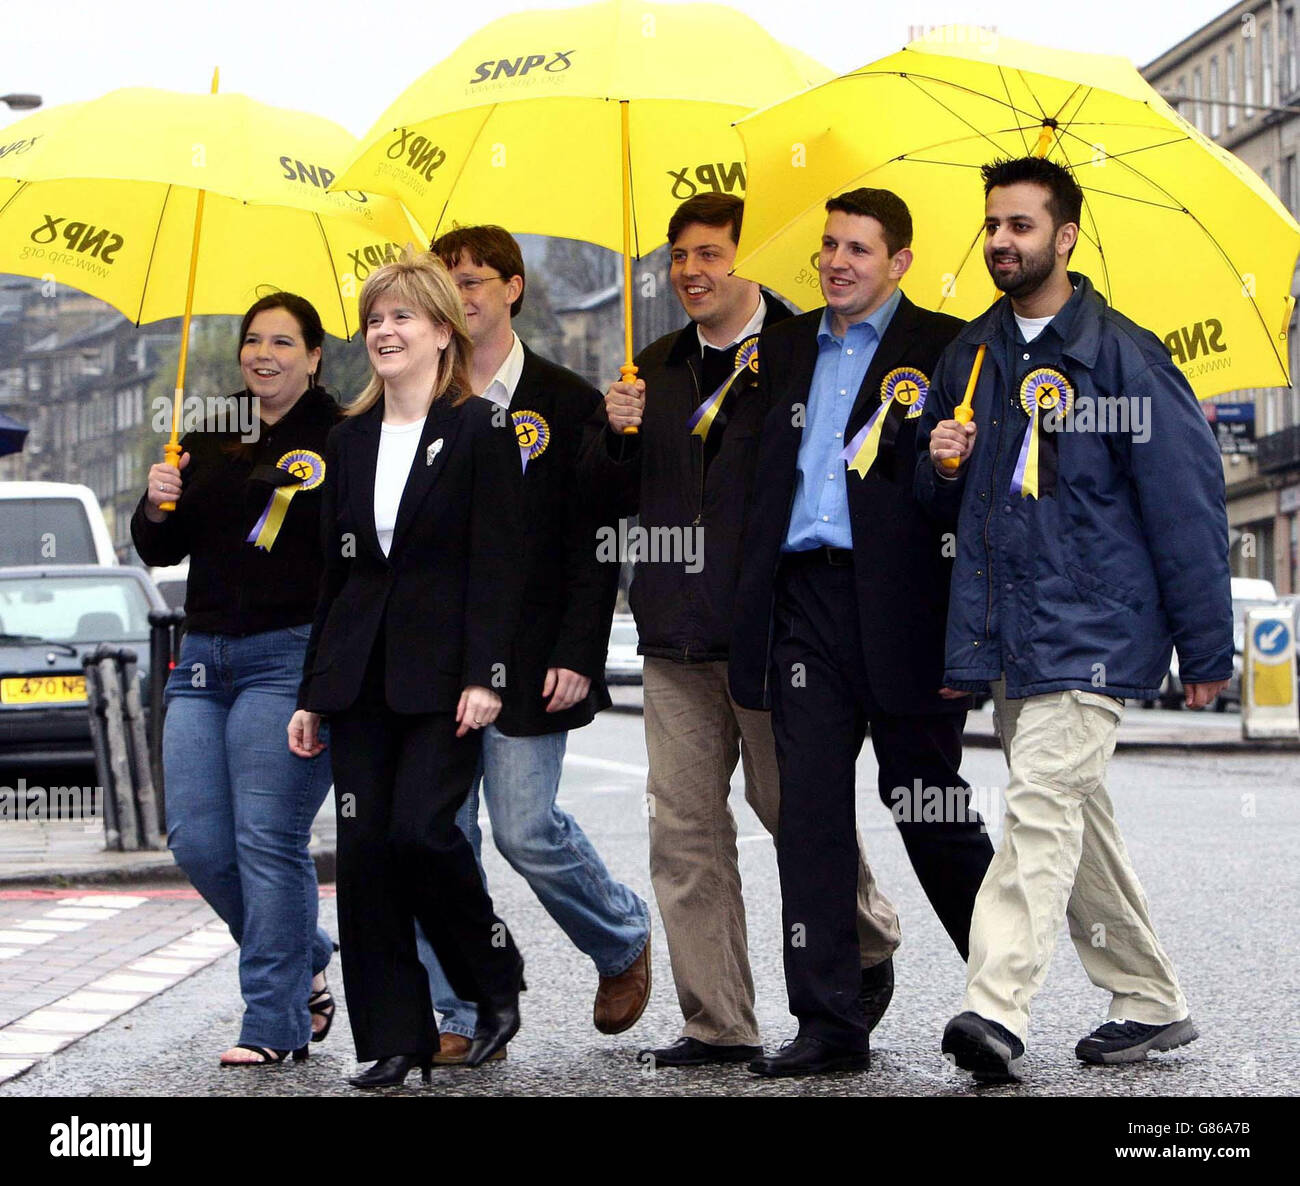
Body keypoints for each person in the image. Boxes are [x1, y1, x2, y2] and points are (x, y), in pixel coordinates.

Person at [917, 156, 1232, 1084]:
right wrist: (940, 462)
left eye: (1021, 226)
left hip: (1096, 633)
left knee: (1041, 810)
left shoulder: (1126, 357)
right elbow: (945, 513)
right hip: (1012, 637)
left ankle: (994, 1006)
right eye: (992, 226)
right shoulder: (968, 356)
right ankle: (1149, 998)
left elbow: (1187, 509)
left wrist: (1207, 648)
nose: (1002, 242)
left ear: (1065, 236)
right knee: (1077, 820)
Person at [585, 193, 901, 1069]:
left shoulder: (802, 354)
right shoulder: (648, 369)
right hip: (672, 640)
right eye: (680, 256)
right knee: (683, 836)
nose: (692, 271)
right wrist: (612, 439)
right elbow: (602, 502)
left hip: (771, 631)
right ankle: (719, 1022)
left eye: (711, 254)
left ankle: (866, 936)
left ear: (749, 259)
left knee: (790, 811)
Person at [728, 189, 995, 1078]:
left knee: (928, 805)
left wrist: (949, 465)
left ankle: (1000, 1001)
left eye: (858, 248)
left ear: (899, 262)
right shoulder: (788, 344)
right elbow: (756, 472)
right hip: (804, 601)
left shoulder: (948, 346)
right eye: (829, 246)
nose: (837, 261)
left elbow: (966, 495)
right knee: (807, 815)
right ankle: (829, 1022)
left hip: (906, 607)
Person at [410, 224, 650, 1066]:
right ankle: (461, 1008)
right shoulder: (421, 398)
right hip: (438, 661)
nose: (461, 295)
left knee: (523, 828)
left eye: (474, 280)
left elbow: (596, 538)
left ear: (513, 288)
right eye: (447, 282)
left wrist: (579, 652)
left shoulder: (566, 396)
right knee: (439, 833)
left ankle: (620, 937)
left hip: (534, 651)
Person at [287, 251, 526, 1087]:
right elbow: (336, 575)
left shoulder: (480, 430)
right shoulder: (346, 440)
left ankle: (494, 976)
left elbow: (499, 563)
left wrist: (487, 675)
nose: (385, 332)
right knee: (365, 855)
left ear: (440, 332)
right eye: (375, 319)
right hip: (359, 679)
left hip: (445, 677)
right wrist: (314, 692)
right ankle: (395, 1037)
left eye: (402, 318)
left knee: (421, 833)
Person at [132, 293, 340, 1067]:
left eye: (283, 342)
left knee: (265, 839)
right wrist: (155, 509)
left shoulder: (344, 433)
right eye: (253, 340)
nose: (264, 354)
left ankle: (272, 1024)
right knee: (197, 841)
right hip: (203, 656)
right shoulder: (212, 428)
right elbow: (160, 549)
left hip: (288, 657)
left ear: (315, 355)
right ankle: (306, 951)